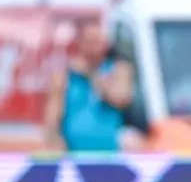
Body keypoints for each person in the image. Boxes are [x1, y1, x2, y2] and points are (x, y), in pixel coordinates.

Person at [43, 15, 136, 152]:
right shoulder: (64, 75)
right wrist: (54, 141)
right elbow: (52, 117)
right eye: (92, 41)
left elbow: (120, 98)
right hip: (73, 153)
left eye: (100, 40)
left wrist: (91, 75)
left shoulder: (119, 70)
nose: (98, 45)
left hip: (110, 151)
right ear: (80, 42)